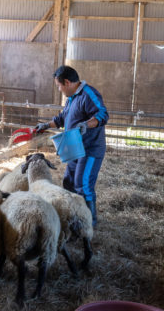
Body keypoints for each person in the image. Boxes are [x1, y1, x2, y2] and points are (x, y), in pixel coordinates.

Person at [33, 65, 108, 227]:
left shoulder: (89, 94)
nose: (59, 89)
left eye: (58, 86)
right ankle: (74, 217)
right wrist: (45, 125)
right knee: (68, 182)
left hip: (90, 149)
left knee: (83, 184)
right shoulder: (72, 98)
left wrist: (86, 124)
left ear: (67, 82)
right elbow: (61, 119)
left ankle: (89, 223)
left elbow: (102, 114)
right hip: (75, 148)